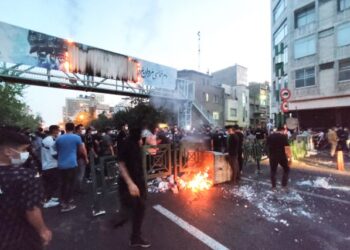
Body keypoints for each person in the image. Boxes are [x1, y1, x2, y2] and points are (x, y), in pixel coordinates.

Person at [0, 127, 52, 250]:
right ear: (8, 151)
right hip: (18, 237)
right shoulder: (25, 175)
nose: (26, 154)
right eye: (23, 150)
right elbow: (31, 209)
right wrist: (43, 230)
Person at [115, 127, 151, 248]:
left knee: (139, 209)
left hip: (138, 182)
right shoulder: (127, 143)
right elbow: (121, 164)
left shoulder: (137, 143)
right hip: (129, 184)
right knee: (133, 210)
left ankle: (135, 236)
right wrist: (130, 183)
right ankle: (133, 235)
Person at [55, 122, 89, 212]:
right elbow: (82, 150)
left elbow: (57, 151)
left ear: (65, 128)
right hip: (71, 163)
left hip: (61, 164)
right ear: (73, 128)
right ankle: (66, 205)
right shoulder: (76, 137)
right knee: (70, 184)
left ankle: (63, 201)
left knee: (63, 183)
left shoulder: (59, 138)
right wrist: (86, 158)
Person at [41, 125, 60, 208]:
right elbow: (54, 154)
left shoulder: (45, 139)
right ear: (54, 130)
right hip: (51, 165)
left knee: (49, 184)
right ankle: (47, 201)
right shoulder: (51, 140)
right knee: (52, 184)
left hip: (46, 164)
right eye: (58, 130)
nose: (59, 131)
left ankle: (50, 198)